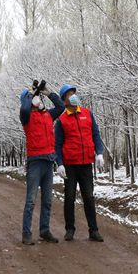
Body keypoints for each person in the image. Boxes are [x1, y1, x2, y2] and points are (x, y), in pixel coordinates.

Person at [54, 84, 105, 242]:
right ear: (64, 100)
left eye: (73, 93)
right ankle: (70, 229)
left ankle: (93, 230)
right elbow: (57, 144)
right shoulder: (61, 120)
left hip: (85, 163)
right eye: (69, 94)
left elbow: (95, 134)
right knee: (69, 197)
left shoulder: (87, 114)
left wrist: (99, 153)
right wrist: (59, 163)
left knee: (89, 197)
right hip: (70, 164)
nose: (73, 96)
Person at [19, 80, 65, 245]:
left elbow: (61, 107)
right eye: (34, 97)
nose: (37, 99)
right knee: (31, 199)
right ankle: (26, 233)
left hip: (48, 160)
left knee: (47, 200)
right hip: (35, 162)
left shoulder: (47, 115)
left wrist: (48, 92)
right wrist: (30, 93)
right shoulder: (26, 116)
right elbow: (24, 107)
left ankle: (44, 231)